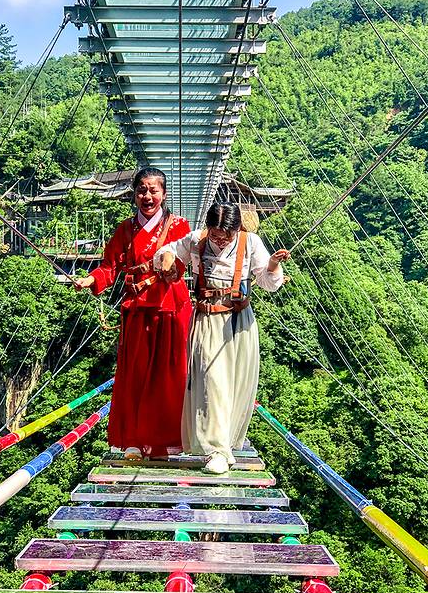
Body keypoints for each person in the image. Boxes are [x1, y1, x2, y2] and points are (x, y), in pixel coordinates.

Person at [155, 202, 289, 474]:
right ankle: (215, 450)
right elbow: (165, 252)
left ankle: (224, 446)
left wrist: (273, 264)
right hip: (206, 320)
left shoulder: (250, 243)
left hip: (238, 321)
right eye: (215, 235)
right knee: (210, 381)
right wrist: (167, 258)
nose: (219, 241)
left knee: (233, 385)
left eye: (226, 236)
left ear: (237, 229)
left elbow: (268, 284)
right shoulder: (197, 240)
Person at [75, 168, 191, 459]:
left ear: (164, 194)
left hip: (170, 308)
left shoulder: (179, 226)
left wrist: (171, 266)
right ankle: (135, 442)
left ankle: (165, 442)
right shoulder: (125, 229)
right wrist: (91, 280)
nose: (147, 196)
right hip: (138, 308)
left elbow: (184, 262)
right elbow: (109, 266)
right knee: (135, 373)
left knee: (169, 376)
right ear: (134, 194)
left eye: (153, 190)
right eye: (141, 190)